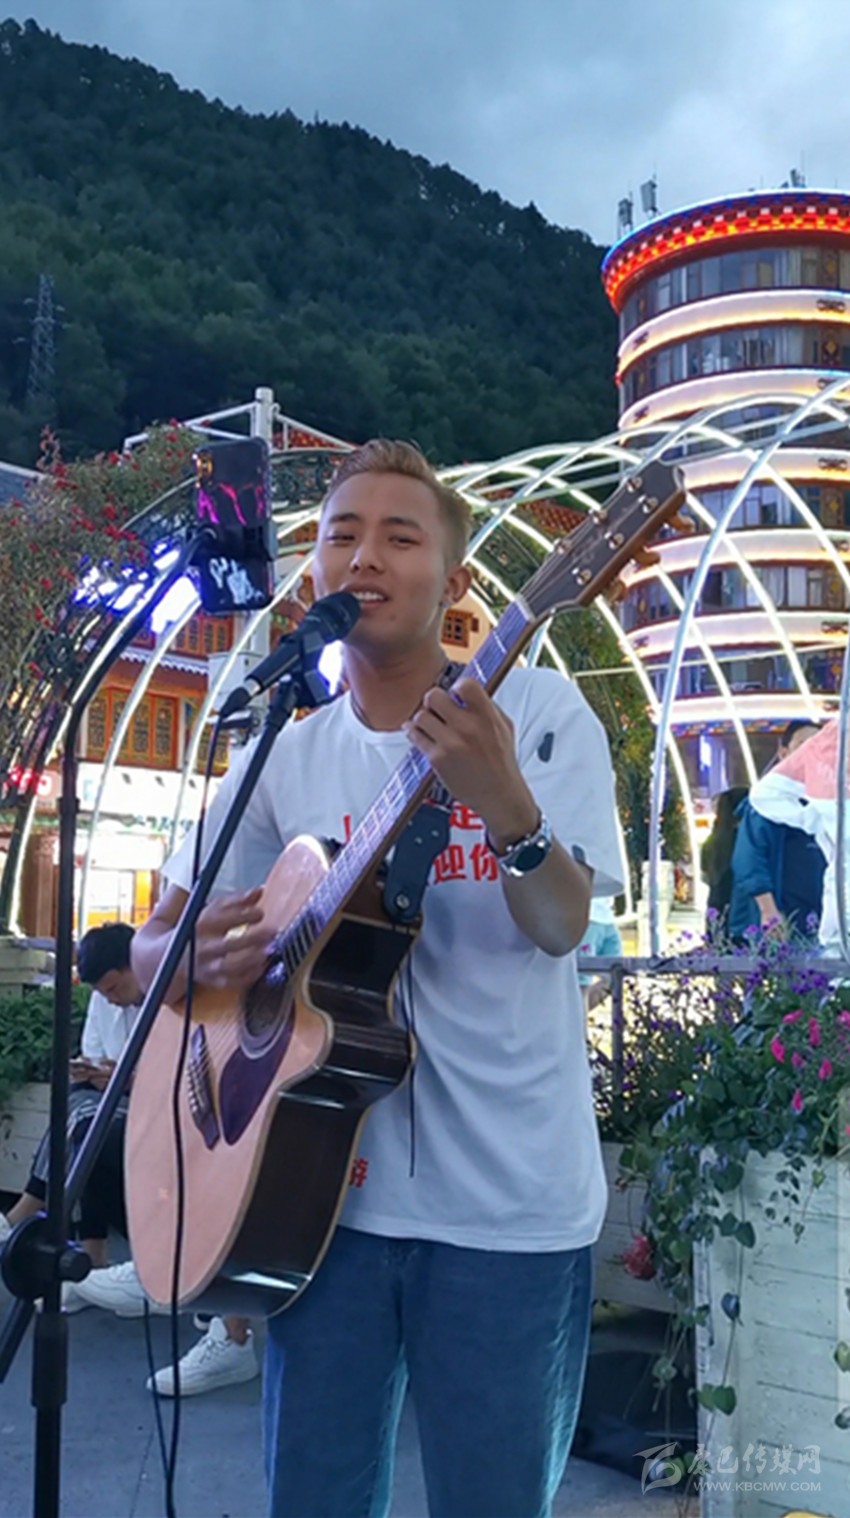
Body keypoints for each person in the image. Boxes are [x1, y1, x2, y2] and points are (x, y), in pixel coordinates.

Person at [132, 438, 624, 1517]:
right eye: (340, 535)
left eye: (400, 537)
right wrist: (185, 959)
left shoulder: (540, 715)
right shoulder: (286, 753)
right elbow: (146, 953)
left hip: (507, 1213)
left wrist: (507, 808)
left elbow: (560, 926)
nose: (364, 556)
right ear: (312, 570)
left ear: (453, 580)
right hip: (319, 1209)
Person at [0, 922, 141, 1294]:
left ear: (137, 964)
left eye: (114, 987)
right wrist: (94, 1072)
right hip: (108, 1097)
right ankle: (90, 1264)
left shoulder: (167, 999)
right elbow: (94, 1053)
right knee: (81, 1115)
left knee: (84, 1121)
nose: (110, 998)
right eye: (102, 991)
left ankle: (27, 1211)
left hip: (150, 1104)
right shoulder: (103, 1000)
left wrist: (125, 1078)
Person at [729, 721, 824, 941]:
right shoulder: (766, 801)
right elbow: (749, 861)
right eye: (803, 744)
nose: (811, 752)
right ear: (783, 753)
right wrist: (769, 911)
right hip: (778, 922)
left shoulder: (825, 802)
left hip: (816, 920)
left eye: (819, 747)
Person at [700, 785, 749, 930]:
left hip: (716, 907)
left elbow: (705, 873)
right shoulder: (745, 841)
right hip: (740, 910)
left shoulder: (712, 841)